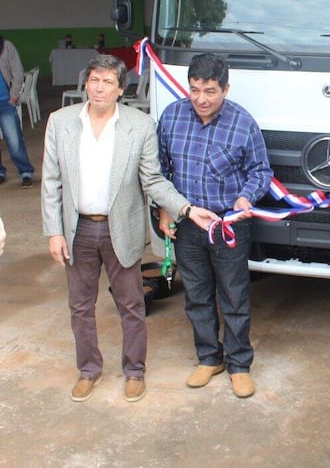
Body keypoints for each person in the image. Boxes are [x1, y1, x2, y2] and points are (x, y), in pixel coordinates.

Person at [41, 54, 218, 403]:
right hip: (76, 229)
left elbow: (152, 180)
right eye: (94, 80)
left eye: (108, 82)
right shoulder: (61, 122)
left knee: (132, 304)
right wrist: (54, 231)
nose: (99, 88)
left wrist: (185, 208)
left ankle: (134, 371)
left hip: (119, 227)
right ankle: (88, 369)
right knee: (80, 306)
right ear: (85, 83)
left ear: (121, 88)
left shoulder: (140, 125)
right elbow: (51, 181)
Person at [157, 53, 273, 399]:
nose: (202, 99)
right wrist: (165, 210)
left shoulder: (242, 123)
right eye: (195, 90)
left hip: (227, 225)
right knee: (196, 295)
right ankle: (209, 358)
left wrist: (245, 198)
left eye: (210, 91)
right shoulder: (172, 116)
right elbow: (161, 171)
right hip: (187, 221)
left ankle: (239, 365)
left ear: (226, 88)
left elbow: (260, 171)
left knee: (234, 296)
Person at [0, 36, 35, 188]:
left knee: (14, 140)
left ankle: (25, 172)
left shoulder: (7, 47)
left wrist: (13, 97)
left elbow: (18, 72)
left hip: (5, 101)